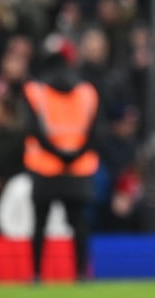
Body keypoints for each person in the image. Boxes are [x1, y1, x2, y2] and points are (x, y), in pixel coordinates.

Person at [21, 35, 100, 282]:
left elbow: (32, 129)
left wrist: (56, 154)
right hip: (78, 168)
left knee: (40, 224)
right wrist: (73, 155)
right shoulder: (87, 91)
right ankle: (80, 273)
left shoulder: (35, 90)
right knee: (79, 224)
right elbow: (95, 131)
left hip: (45, 167)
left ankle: (36, 274)